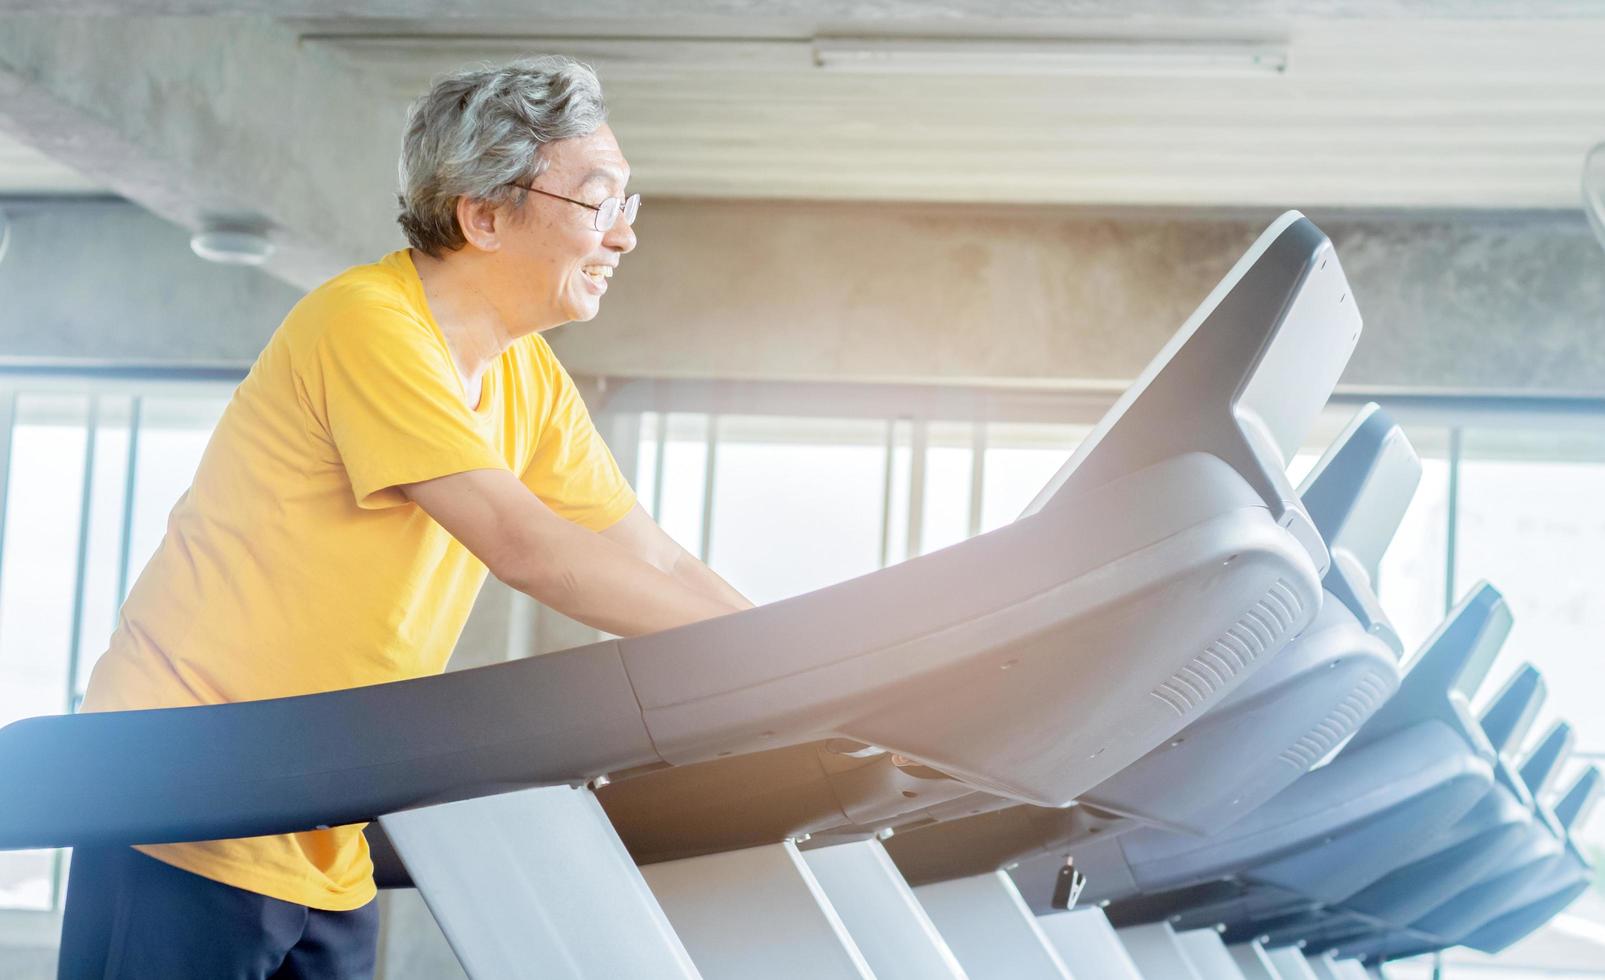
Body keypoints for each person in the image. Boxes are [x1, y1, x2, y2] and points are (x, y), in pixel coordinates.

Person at [57, 56, 750, 979]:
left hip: (320, 817)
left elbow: (652, 558)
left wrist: (801, 657)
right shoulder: (368, 322)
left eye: (629, 206)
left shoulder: (525, 377)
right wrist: (768, 663)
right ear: (484, 214)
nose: (621, 238)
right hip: (179, 796)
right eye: (598, 202)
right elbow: (530, 550)